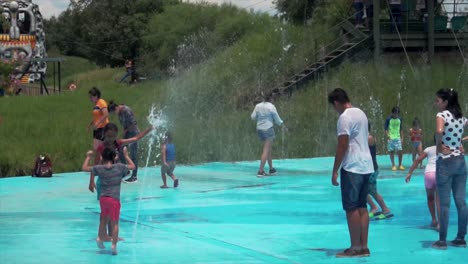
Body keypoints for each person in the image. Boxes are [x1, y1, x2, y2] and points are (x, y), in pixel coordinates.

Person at [328, 88, 373, 258]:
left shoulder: (344, 117)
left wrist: (335, 170)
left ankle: (354, 247)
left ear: (336, 103)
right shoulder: (361, 113)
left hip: (352, 166)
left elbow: (342, 145)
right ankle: (364, 246)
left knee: (351, 208)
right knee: (362, 206)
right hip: (366, 165)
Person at [432, 88, 467, 250]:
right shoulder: (461, 117)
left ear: (445, 102)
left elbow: (439, 131)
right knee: (461, 202)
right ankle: (461, 238)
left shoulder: (442, 115)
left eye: (438, 101)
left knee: (444, 204)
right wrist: (461, 142)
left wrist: (439, 145)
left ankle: (442, 240)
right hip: (460, 162)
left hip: (445, 162)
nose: (435, 103)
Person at [82, 147, 135, 255]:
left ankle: (100, 238)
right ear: (114, 157)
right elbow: (133, 166)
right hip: (114, 199)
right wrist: (126, 156)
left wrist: (88, 157)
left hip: (103, 198)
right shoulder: (119, 167)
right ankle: (114, 245)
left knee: (103, 220)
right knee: (114, 222)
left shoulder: (99, 168)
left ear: (102, 157)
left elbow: (84, 168)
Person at [406, 137, 440, 230]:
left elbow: (418, 160)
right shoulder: (445, 148)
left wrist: (410, 173)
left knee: (430, 198)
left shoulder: (428, 149)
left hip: (429, 174)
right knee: (439, 201)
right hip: (440, 174)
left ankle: (433, 220)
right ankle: (440, 224)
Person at [108, 101, 146, 183]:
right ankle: (126, 170)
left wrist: (126, 129)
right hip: (127, 133)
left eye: (114, 112)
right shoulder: (119, 112)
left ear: (116, 108)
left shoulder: (126, 111)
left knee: (133, 154)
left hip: (134, 133)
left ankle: (134, 176)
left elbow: (134, 123)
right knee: (120, 149)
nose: (115, 114)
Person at [251, 95, 284, 177]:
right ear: (271, 99)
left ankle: (271, 169)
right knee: (265, 151)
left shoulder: (258, 106)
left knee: (268, 149)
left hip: (259, 130)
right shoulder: (271, 107)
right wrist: (282, 125)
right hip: (268, 129)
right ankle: (260, 171)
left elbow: (253, 117)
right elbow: (277, 120)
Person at [367, 122, 393, 220]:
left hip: (372, 169)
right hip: (367, 169)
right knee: (362, 190)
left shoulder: (369, 138)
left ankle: (385, 209)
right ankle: (374, 207)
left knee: (372, 191)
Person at [88, 87, 109, 165]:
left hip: (103, 128)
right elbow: (96, 117)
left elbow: (106, 114)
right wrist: (90, 124)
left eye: (91, 97)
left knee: (99, 148)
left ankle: (102, 164)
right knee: (96, 148)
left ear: (96, 96)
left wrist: (98, 123)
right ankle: (101, 164)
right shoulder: (96, 105)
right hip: (97, 128)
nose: (90, 99)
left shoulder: (101, 102)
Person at [385, 106, 405, 171]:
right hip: (391, 137)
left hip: (398, 137)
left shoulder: (400, 119)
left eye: (398, 113)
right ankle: (393, 165)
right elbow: (385, 128)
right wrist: (387, 135)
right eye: (395, 113)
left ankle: (400, 164)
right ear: (392, 113)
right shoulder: (388, 119)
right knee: (391, 151)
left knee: (400, 151)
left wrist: (402, 138)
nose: (396, 115)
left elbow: (401, 129)